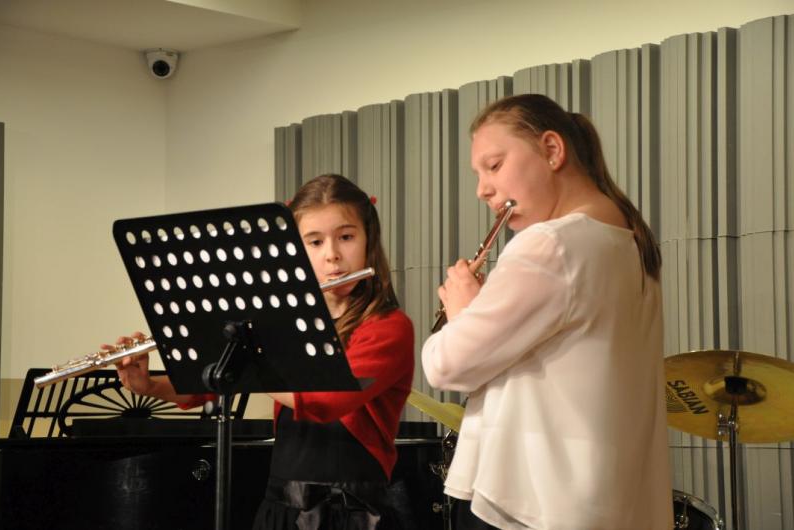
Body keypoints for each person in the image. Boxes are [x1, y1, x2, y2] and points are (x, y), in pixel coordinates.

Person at [106, 174, 415, 530]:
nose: (332, 254)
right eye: (315, 242)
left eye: (346, 237)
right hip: (279, 508)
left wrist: (251, 353)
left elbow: (326, 400)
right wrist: (148, 385)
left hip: (353, 514)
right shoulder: (288, 322)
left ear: (368, 241)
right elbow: (208, 385)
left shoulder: (388, 327)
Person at [421, 94, 672, 530]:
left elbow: (445, 365)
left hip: (533, 503)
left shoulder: (550, 244)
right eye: (479, 174)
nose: (482, 189)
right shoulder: (629, 241)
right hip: (604, 500)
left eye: (494, 165)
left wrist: (462, 308)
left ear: (553, 150)